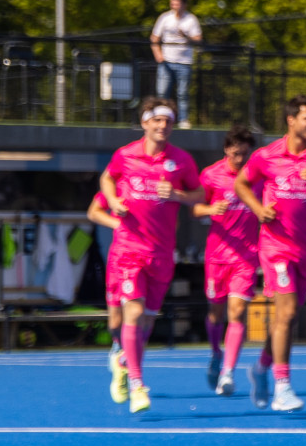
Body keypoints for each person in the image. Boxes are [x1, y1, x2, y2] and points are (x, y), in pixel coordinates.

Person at [235, 95, 306, 412]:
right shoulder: (267, 155)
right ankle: (282, 387)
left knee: (290, 316)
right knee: (284, 313)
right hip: (275, 248)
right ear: (291, 120)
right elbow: (241, 184)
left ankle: (261, 367)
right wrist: (258, 209)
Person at [98, 97, 203, 414]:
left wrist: (177, 194)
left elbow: (199, 194)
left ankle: (123, 363)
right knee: (132, 314)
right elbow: (107, 178)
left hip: (162, 254)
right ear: (145, 123)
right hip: (129, 250)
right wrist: (113, 201)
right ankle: (137, 385)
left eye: (168, 121)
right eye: (157, 120)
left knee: (145, 324)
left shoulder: (181, 160)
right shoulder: (125, 155)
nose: (163, 126)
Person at [195, 123, 260, 396]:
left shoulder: (258, 177)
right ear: (226, 150)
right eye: (236, 153)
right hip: (217, 257)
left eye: (245, 154)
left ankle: (228, 373)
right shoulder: (211, 175)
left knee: (237, 312)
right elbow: (195, 208)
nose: (240, 159)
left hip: (246, 257)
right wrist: (211, 209)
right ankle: (215, 352)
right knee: (216, 314)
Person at [85, 189, 130, 403]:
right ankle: (117, 347)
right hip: (119, 259)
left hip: (148, 258)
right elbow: (93, 212)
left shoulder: (156, 182)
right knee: (115, 322)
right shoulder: (117, 185)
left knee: (138, 318)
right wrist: (118, 224)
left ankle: (130, 370)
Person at [150, 0, 203, 128]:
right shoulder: (165, 18)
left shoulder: (191, 19)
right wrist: (158, 54)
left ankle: (183, 120)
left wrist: (186, 36)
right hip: (166, 62)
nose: (174, 5)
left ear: (184, 4)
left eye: (177, 3)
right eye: (173, 2)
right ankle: (161, 118)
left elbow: (198, 39)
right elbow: (154, 38)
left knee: (182, 93)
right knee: (162, 93)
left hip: (184, 62)